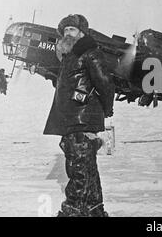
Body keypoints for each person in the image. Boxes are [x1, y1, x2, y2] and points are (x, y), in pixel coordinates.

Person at [43, 14, 115, 217]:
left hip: (82, 118)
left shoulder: (89, 52)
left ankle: (73, 211)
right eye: (65, 31)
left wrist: (107, 108)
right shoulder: (69, 56)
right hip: (71, 119)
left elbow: (105, 82)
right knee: (87, 168)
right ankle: (94, 210)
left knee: (78, 169)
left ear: (82, 33)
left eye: (72, 30)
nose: (67, 33)